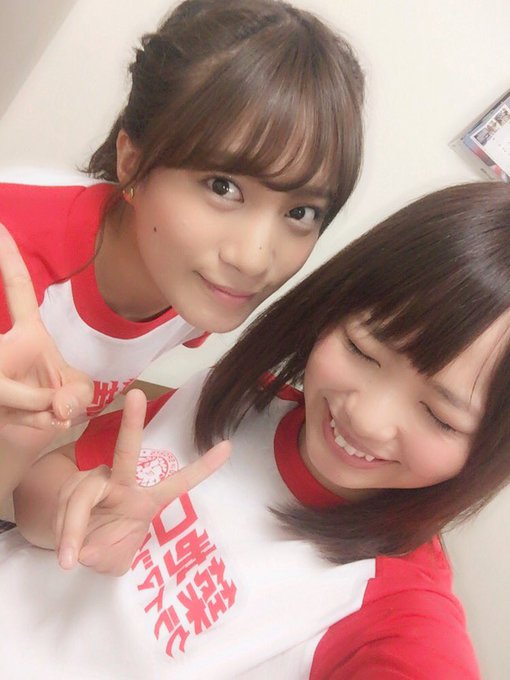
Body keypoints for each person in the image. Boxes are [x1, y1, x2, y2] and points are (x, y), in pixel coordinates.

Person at [8, 181, 508, 678]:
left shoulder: (391, 607)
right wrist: (76, 518)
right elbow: (35, 494)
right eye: (361, 350)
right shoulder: (242, 396)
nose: (367, 418)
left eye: (440, 416)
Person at [0, 0, 364, 498]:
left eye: (300, 213)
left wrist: (20, 444)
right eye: (222, 186)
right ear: (133, 162)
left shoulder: (196, 291)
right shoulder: (16, 246)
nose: (254, 260)